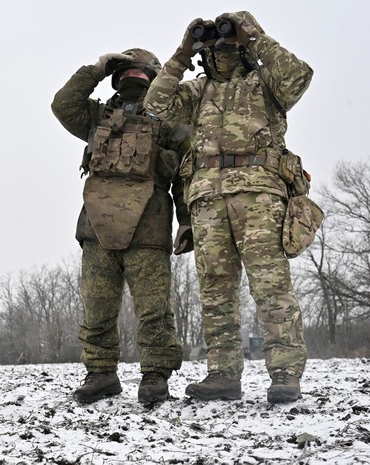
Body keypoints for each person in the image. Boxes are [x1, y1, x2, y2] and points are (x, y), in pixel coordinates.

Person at [144, 11, 313, 403]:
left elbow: (298, 77)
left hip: (259, 195)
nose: (222, 47)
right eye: (216, 41)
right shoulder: (197, 90)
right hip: (206, 199)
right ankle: (222, 374)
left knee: (270, 285)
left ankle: (285, 372)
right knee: (215, 291)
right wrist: (183, 51)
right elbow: (156, 104)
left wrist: (253, 36)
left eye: (229, 39)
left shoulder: (266, 83)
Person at [51, 48, 190, 405]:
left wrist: (187, 221)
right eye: (126, 72)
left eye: (141, 74)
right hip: (97, 229)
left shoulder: (171, 120)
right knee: (97, 308)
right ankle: (101, 374)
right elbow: (62, 105)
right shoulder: (97, 116)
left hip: (149, 229)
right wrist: (96, 68)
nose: (134, 80)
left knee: (153, 309)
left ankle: (155, 376)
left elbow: (185, 177)